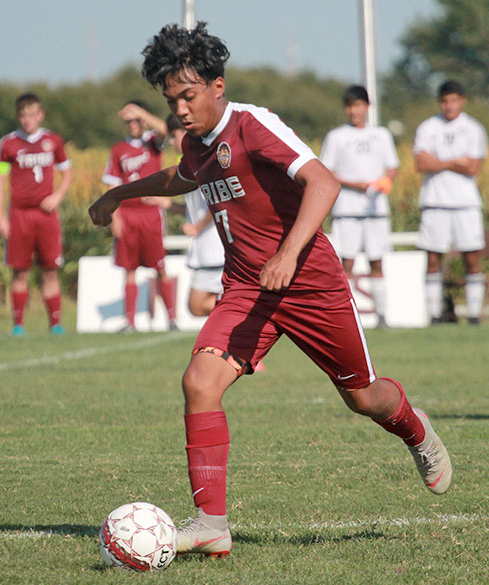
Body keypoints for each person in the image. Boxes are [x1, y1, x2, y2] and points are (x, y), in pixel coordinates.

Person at [89, 23, 452, 558]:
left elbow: (323, 181)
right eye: (171, 100)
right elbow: (183, 176)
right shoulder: (197, 144)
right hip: (246, 289)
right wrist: (121, 192)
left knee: (363, 398)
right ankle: (212, 523)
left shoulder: (251, 123)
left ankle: (415, 430)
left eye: (188, 96)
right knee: (199, 382)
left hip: (310, 284)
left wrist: (287, 253)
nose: (181, 110)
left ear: (217, 85)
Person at [0, 92, 72, 336]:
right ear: (18, 116)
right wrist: (0, 216)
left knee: (49, 269)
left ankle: (55, 324)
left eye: (32, 115)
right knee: (20, 270)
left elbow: (67, 173)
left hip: (46, 216)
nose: (28, 120)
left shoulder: (53, 141)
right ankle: (18, 325)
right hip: (19, 214)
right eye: (23, 116)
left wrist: (57, 196)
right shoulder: (8, 144)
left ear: (40, 115)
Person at [320, 85, 399, 329]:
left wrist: (385, 182)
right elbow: (327, 171)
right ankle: (347, 317)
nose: (354, 111)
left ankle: (382, 316)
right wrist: (355, 184)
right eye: (350, 106)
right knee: (347, 264)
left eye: (358, 105)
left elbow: (392, 166)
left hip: (375, 209)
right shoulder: (336, 136)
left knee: (377, 262)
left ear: (367, 106)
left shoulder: (381, 135)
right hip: (347, 209)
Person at [414, 80, 487, 325]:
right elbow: (421, 163)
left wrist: (439, 161)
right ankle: (434, 316)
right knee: (433, 258)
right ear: (440, 102)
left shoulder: (473, 128)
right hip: (435, 201)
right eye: (445, 101)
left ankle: (475, 315)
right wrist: (456, 161)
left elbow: (474, 166)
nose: (449, 106)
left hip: (466, 203)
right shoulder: (428, 127)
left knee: (471, 257)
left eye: (454, 100)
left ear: (462, 100)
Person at [102, 100, 177, 331]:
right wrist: (114, 217)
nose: (132, 125)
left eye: (136, 120)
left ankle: (172, 320)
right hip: (128, 213)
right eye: (128, 121)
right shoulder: (118, 150)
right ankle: (130, 321)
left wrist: (143, 112)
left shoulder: (153, 142)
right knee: (130, 268)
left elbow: (169, 131)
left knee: (160, 267)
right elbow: (111, 185)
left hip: (151, 214)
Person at [165, 113, 225, 317]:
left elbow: (219, 201)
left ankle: (252, 311)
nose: (171, 142)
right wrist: (168, 204)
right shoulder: (189, 163)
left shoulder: (205, 161)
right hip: (207, 248)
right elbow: (195, 209)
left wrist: (198, 226)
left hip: (214, 246)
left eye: (173, 136)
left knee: (196, 305)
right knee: (200, 306)